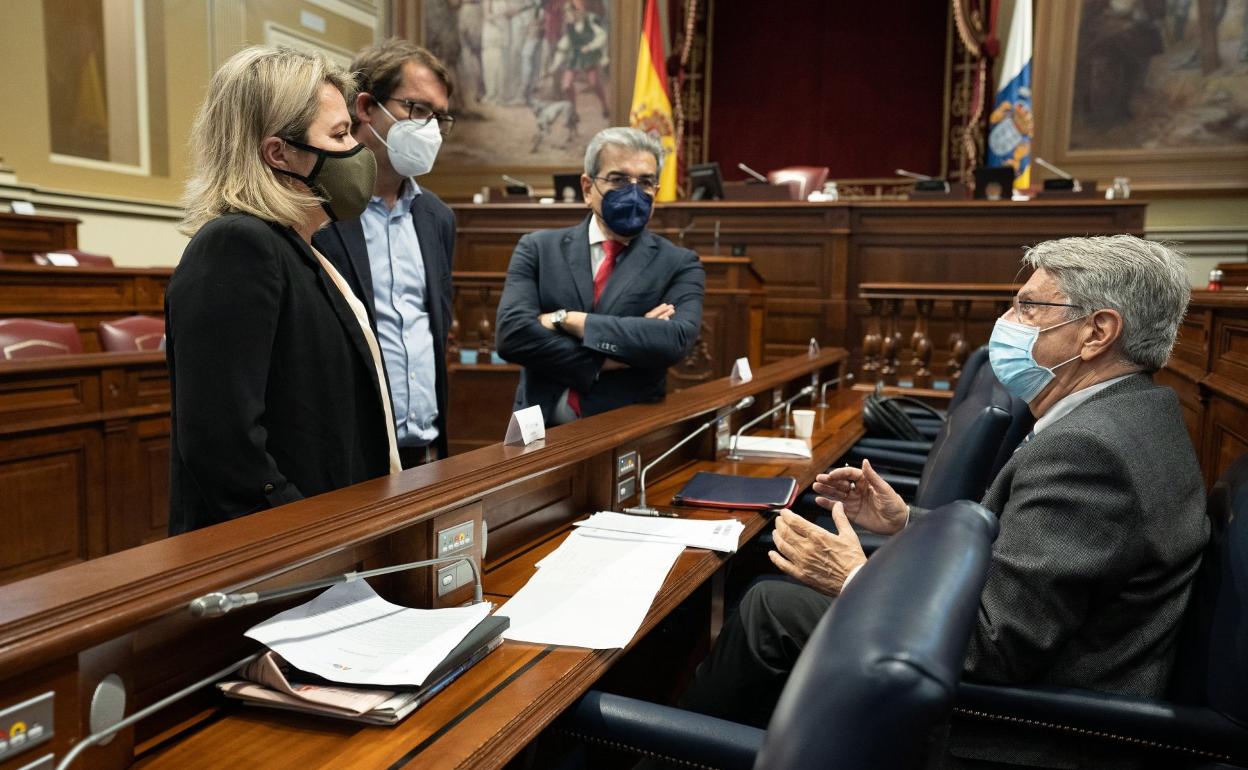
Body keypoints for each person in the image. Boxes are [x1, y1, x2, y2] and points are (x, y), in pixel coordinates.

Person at [682, 235, 1209, 766]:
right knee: (772, 604)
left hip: (1024, 729)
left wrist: (856, 578)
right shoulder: (1136, 411)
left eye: (1027, 307)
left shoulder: (1091, 450)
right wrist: (907, 521)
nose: (1006, 320)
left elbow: (992, 647)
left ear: (1097, 332)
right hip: (1046, 674)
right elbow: (1025, 549)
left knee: (768, 611)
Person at [166, 46, 400, 535]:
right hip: (281, 553)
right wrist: (310, 538)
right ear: (279, 153)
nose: (355, 150)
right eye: (339, 134)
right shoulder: (235, 245)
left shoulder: (303, 247)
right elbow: (224, 443)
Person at [495, 126, 704, 426]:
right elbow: (511, 336)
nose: (633, 192)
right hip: (537, 430)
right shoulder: (538, 248)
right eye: (618, 179)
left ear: (656, 192)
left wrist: (567, 320)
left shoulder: (679, 263)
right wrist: (609, 357)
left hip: (625, 429)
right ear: (587, 187)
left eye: (645, 182)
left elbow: (674, 341)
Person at [312, 40, 457, 468]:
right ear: (365, 107)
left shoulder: (437, 217)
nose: (430, 128)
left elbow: (435, 327)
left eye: (439, 117)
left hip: (425, 446)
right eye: (417, 109)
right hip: (350, 451)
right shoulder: (317, 208)